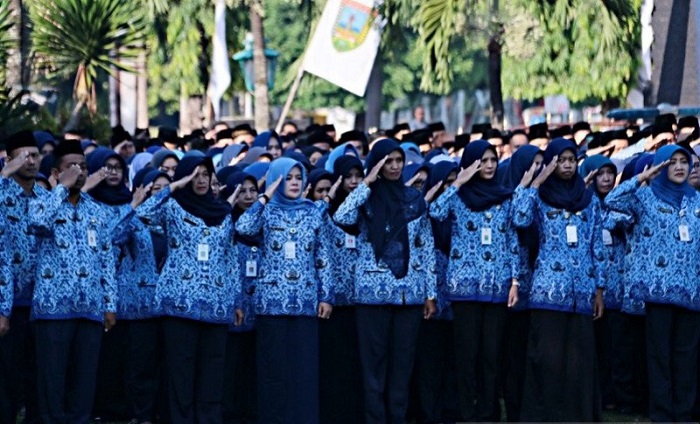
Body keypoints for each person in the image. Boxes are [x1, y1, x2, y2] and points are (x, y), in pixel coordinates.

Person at [334, 138, 437, 424]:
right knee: (373, 369)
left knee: (402, 369)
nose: (393, 166)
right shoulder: (366, 196)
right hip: (371, 295)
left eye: (398, 161)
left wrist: (430, 293)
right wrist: (366, 183)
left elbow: (425, 246)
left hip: (409, 294)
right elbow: (342, 216)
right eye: (387, 161)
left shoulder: (414, 199)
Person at [135, 155, 242, 424]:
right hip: (179, 306)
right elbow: (141, 214)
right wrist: (174, 185)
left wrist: (236, 300)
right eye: (195, 174)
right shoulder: (172, 208)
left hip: (217, 306)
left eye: (206, 174)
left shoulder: (223, 213)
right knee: (180, 375)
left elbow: (230, 259)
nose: (202, 179)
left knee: (212, 375)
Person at [605, 145, 700, 422]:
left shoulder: (696, 201)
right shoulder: (644, 198)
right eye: (673, 162)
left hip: (692, 292)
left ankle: (684, 412)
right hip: (657, 293)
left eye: (685, 162)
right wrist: (643, 177)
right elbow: (612, 199)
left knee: (686, 358)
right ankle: (661, 413)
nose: (680, 167)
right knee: (659, 357)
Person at [236, 157, 333, 424]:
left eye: (298, 178)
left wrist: (326, 296)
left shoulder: (313, 210)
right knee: (274, 370)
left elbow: (323, 256)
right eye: (287, 178)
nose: (293, 183)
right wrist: (265, 196)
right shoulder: (266, 211)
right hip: (271, 304)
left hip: (305, 301)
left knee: (303, 369)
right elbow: (242, 227)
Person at [514, 137, 605, 422]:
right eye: (561, 160)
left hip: (583, 290)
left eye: (571, 160)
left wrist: (600, 289)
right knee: (547, 358)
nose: (566, 165)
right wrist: (535, 183)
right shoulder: (539, 198)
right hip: (547, 290)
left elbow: (597, 246)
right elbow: (519, 219)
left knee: (579, 361)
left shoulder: (588, 199)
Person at [29, 139, 118, 424]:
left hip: (90, 308)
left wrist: (110, 304)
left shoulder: (97, 210)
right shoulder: (42, 201)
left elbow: (106, 259)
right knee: (52, 382)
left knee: (84, 381)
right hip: (53, 309)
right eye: (71, 167)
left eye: (83, 166)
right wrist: (60, 189)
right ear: (55, 172)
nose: (79, 171)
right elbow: (38, 224)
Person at [429, 140, 519, 421]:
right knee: (466, 355)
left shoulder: (506, 197)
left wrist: (515, 281)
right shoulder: (457, 197)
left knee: (491, 356)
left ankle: (489, 412)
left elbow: (512, 240)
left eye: (493, 160)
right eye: (483, 160)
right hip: (464, 288)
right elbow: (435, 212)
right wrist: (458, 183)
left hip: (497, 286)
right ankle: (467, 412)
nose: (489, 165)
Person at [112, 169, 170, 424]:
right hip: (138, 306)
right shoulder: (133, 219)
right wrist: (132, 206)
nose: (163, 194)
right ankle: (140, 414)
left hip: (170, 305)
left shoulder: (177, 219)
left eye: (168, 188)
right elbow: (112, 236)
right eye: (157, 188)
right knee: (140, 366)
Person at [0, 130, 48, 424]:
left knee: (38, 372)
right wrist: (3, 174)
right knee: (7, 373)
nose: (32, 161)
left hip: (43, 301)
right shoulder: (2, 192)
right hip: (9, 301)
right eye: (25, 155)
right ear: (10, 158)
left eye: (36, 154)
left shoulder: (46, 197)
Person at [411, 160, 461, 423]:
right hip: (429, 297)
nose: (452, 187)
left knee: (452, 360)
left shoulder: (463, 209)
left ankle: (450, 411)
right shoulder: (423, 211)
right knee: (429, 361)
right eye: (447, 181)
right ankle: (428, 412)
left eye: (456, 180)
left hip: (455, 298)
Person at [320, 155, 366, 424]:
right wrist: (330, 194)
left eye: (357, 176)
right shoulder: (325, 213)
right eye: (347, 177)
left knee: (358, 363)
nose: (353, 182)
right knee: (335, 363)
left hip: (363, 299)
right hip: (334, 302)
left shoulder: (367, 209)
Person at [499, 144, 543, 421]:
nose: (538, 170)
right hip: (510, 286)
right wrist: (525, 188)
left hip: (537, 286)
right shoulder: (506, 195)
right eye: (533, 164)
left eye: (542, 164)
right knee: (510, 353)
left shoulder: (547, 196)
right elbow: (518, 221)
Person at [581, 154, 625, 411]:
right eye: (600, 174)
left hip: (616, 289)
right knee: (594, 347)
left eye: (610, 173)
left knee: (615, 346)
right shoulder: (583, 205)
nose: (607, 178)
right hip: (591, 288)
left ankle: (615, 396)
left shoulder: (618, 204)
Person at [221, 172, 260, 424]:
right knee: (230, 365)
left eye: (252, 190)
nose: (247, 196)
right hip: (232, 307)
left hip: (258, 306)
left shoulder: (262, 224)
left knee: (252, 364)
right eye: (241, 191)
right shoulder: (226, 225)